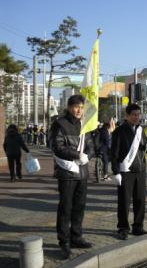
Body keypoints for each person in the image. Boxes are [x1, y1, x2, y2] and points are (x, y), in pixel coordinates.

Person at [50, 95, 94, 259]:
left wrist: (87, 156)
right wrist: (77, 154)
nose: (79, 110)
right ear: (69, 107)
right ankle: (64, 242)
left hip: (82, 173)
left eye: (82, 107)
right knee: (65, 208)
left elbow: (91, 145)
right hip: (67, 173)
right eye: (76, 107)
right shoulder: (60, 124)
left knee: (79, 207)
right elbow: (57, 147)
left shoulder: (85, 125)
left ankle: (76, 237)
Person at [111, 104, 147, 240]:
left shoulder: (142, 131)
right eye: (134, 114)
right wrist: (115, 171)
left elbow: (144, 152)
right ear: (127, 116)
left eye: (138, 114)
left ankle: (138, 226)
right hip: (125, 171)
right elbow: (114, 153)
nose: (136, 117)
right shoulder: (119, 131)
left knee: (140, 200)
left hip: (140, 170)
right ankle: (123, 228)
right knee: (124, 201)